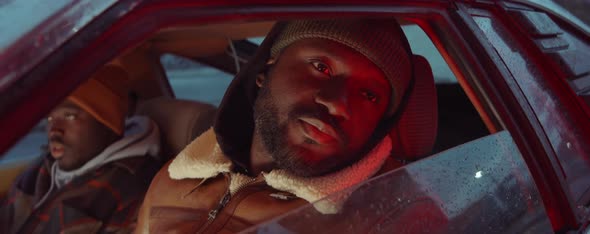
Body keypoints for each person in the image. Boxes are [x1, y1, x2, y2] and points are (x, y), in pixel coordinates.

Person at [137, 19, 420, 233]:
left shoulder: (394, 215)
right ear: (265, 70)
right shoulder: (174, 178)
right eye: (321, 67)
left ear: (377, 128)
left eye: (369, 95)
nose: (338, 103)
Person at [0, 65, 162, 233]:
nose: (53, 129)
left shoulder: (134, 191)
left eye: (69, 116)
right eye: (49, 117)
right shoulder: (41, 167)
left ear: (108, 123)